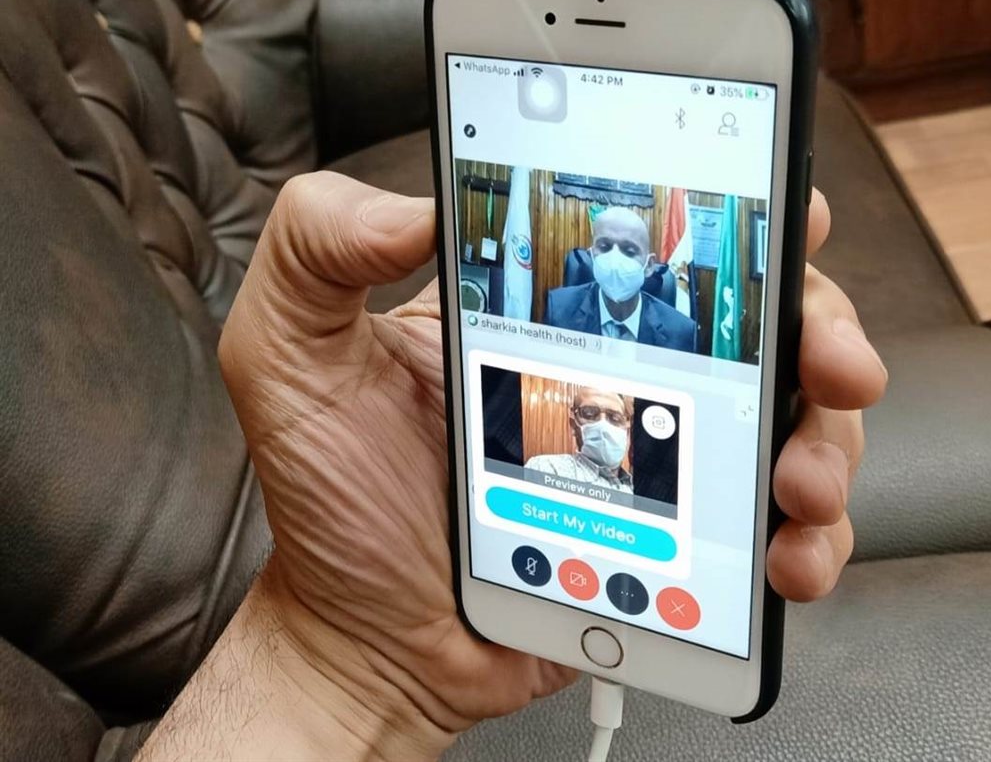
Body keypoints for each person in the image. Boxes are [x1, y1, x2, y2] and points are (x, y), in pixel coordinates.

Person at [137, 172, 887, 761]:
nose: (617, 262)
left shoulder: (682, 327)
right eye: (605, 246)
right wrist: (335, 651)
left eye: (633, 250)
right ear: (588, 252)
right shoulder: (555, 309)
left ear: (655, 260)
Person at [544, 207, 698, 352]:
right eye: (604, 247)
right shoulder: (558, 310)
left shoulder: (681, 332)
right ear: (591, 255)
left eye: (629, 251)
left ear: (649, 266)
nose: (614, 261)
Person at [526, 388, 635, 494]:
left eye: (615, 418)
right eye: (589, 414)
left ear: (626, 430)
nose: (603, 426)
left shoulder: (637, 488)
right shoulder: (547, 469)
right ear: (574, 425)